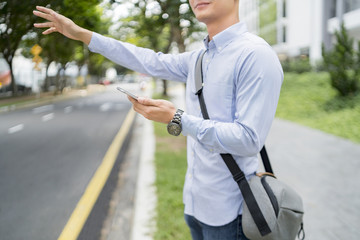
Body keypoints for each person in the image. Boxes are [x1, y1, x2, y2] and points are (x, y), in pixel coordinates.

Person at [33, 1, 283, 239]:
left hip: (233, 212)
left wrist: (179, 119)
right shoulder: (199, 58)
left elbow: (249, 139)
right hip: (196, 203)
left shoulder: (255, 55)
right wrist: (83, 35)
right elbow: (147, 60)